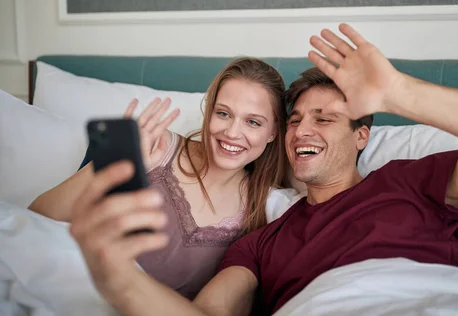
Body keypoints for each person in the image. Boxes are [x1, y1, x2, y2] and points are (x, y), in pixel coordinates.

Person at [69, 24, 458, 315]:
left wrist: (400, 93)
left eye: (325, 118)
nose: (302, 130)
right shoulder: (260, 242)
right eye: (293, 120)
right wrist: (113, 274)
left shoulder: (409, 181)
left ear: (362, 135)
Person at [28, 57, 288, 300]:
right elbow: (38, 214)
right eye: (223, 113)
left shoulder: (266, 207)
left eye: (253, 122)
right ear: (209, 112)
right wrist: (117, 160)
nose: (232, 132)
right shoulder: (155, 145)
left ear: (273, 131)